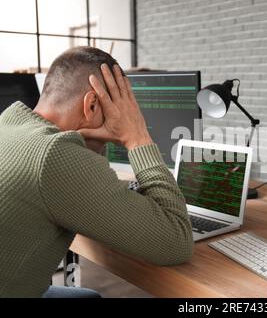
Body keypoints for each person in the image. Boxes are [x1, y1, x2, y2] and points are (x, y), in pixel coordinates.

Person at [0, 46, 193, 298]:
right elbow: (175, 242)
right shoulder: (55, 155)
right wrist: (137, 136)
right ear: (91, 104)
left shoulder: (10, 122)